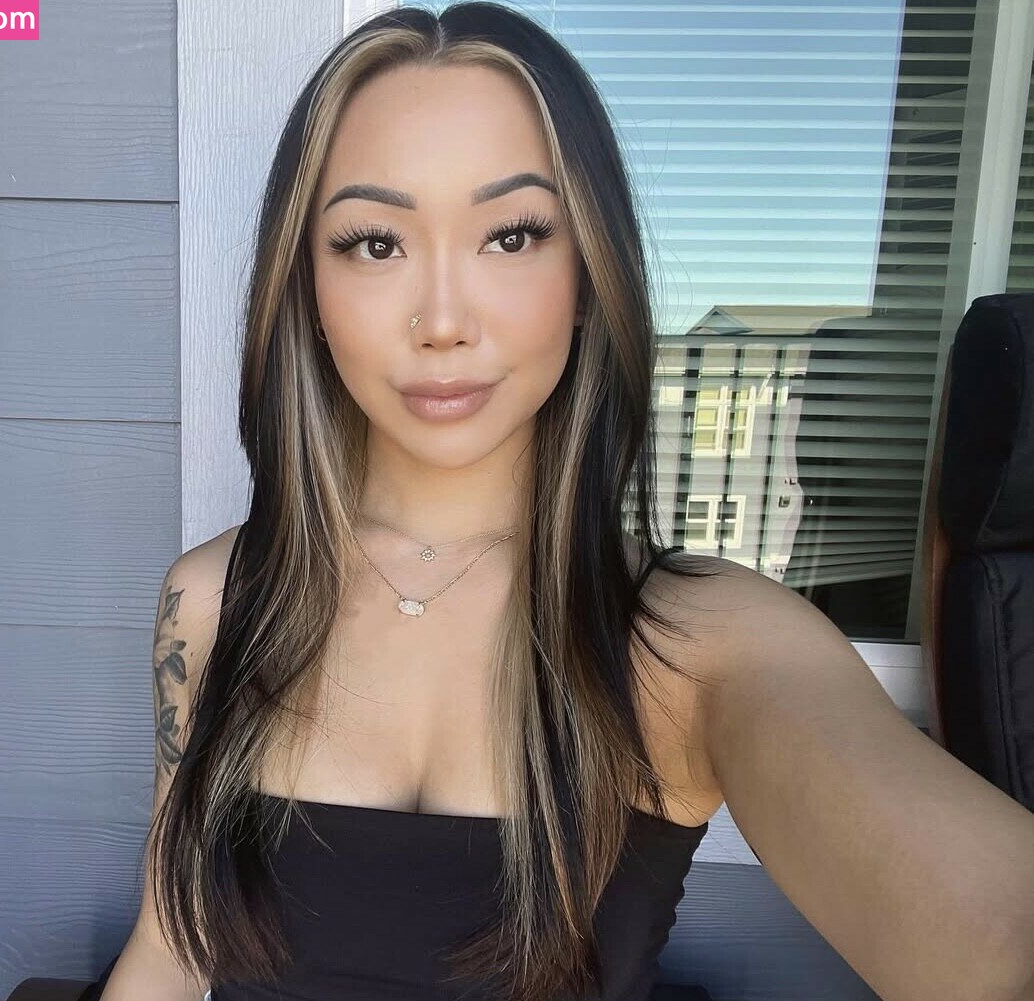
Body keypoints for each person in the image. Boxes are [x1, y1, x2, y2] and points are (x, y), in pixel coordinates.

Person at [98, 4, 1034, 1000]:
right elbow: (170, 942)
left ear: (587, 276)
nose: (443, 320)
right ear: (307, 287)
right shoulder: (212, 601)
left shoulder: (693, 640)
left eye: (511, 235)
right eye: (374, 243)